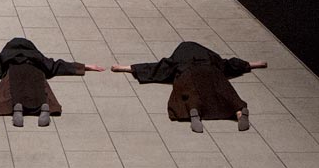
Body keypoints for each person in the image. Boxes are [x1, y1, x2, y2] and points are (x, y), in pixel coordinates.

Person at [0, 38, 103, 127]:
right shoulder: (39, 60)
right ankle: (41, 107)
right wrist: (86, 66)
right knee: (40, 90)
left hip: (13, 73)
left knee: (13, 89)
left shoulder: (5, 59)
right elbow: (60, 65)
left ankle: (18, 107)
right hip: (36, 73)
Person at [112, 42, 267, 132]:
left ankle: (194, 111)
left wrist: (126, 67)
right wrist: (255, 64)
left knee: (188, 92)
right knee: (224, 91)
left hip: (188, 73)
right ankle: (239, 111)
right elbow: (231, 64)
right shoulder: (212, 59)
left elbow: (156, 68)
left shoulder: (179, 59)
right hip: (212, 72)